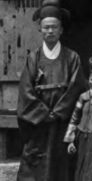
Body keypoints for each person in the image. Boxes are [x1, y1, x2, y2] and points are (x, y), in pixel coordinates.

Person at [17, 3, 86, 181]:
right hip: (39, 123)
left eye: (54, 27)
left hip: (63, 121)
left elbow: (76, 88)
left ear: (61, 30)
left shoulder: (72, 57)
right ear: (40, 29)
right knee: (36, 164)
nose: (50, 31)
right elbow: (26, 91)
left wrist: (58, 113)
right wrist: (44, 114)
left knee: (63, 163)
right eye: (46, 27)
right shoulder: (33, 58)